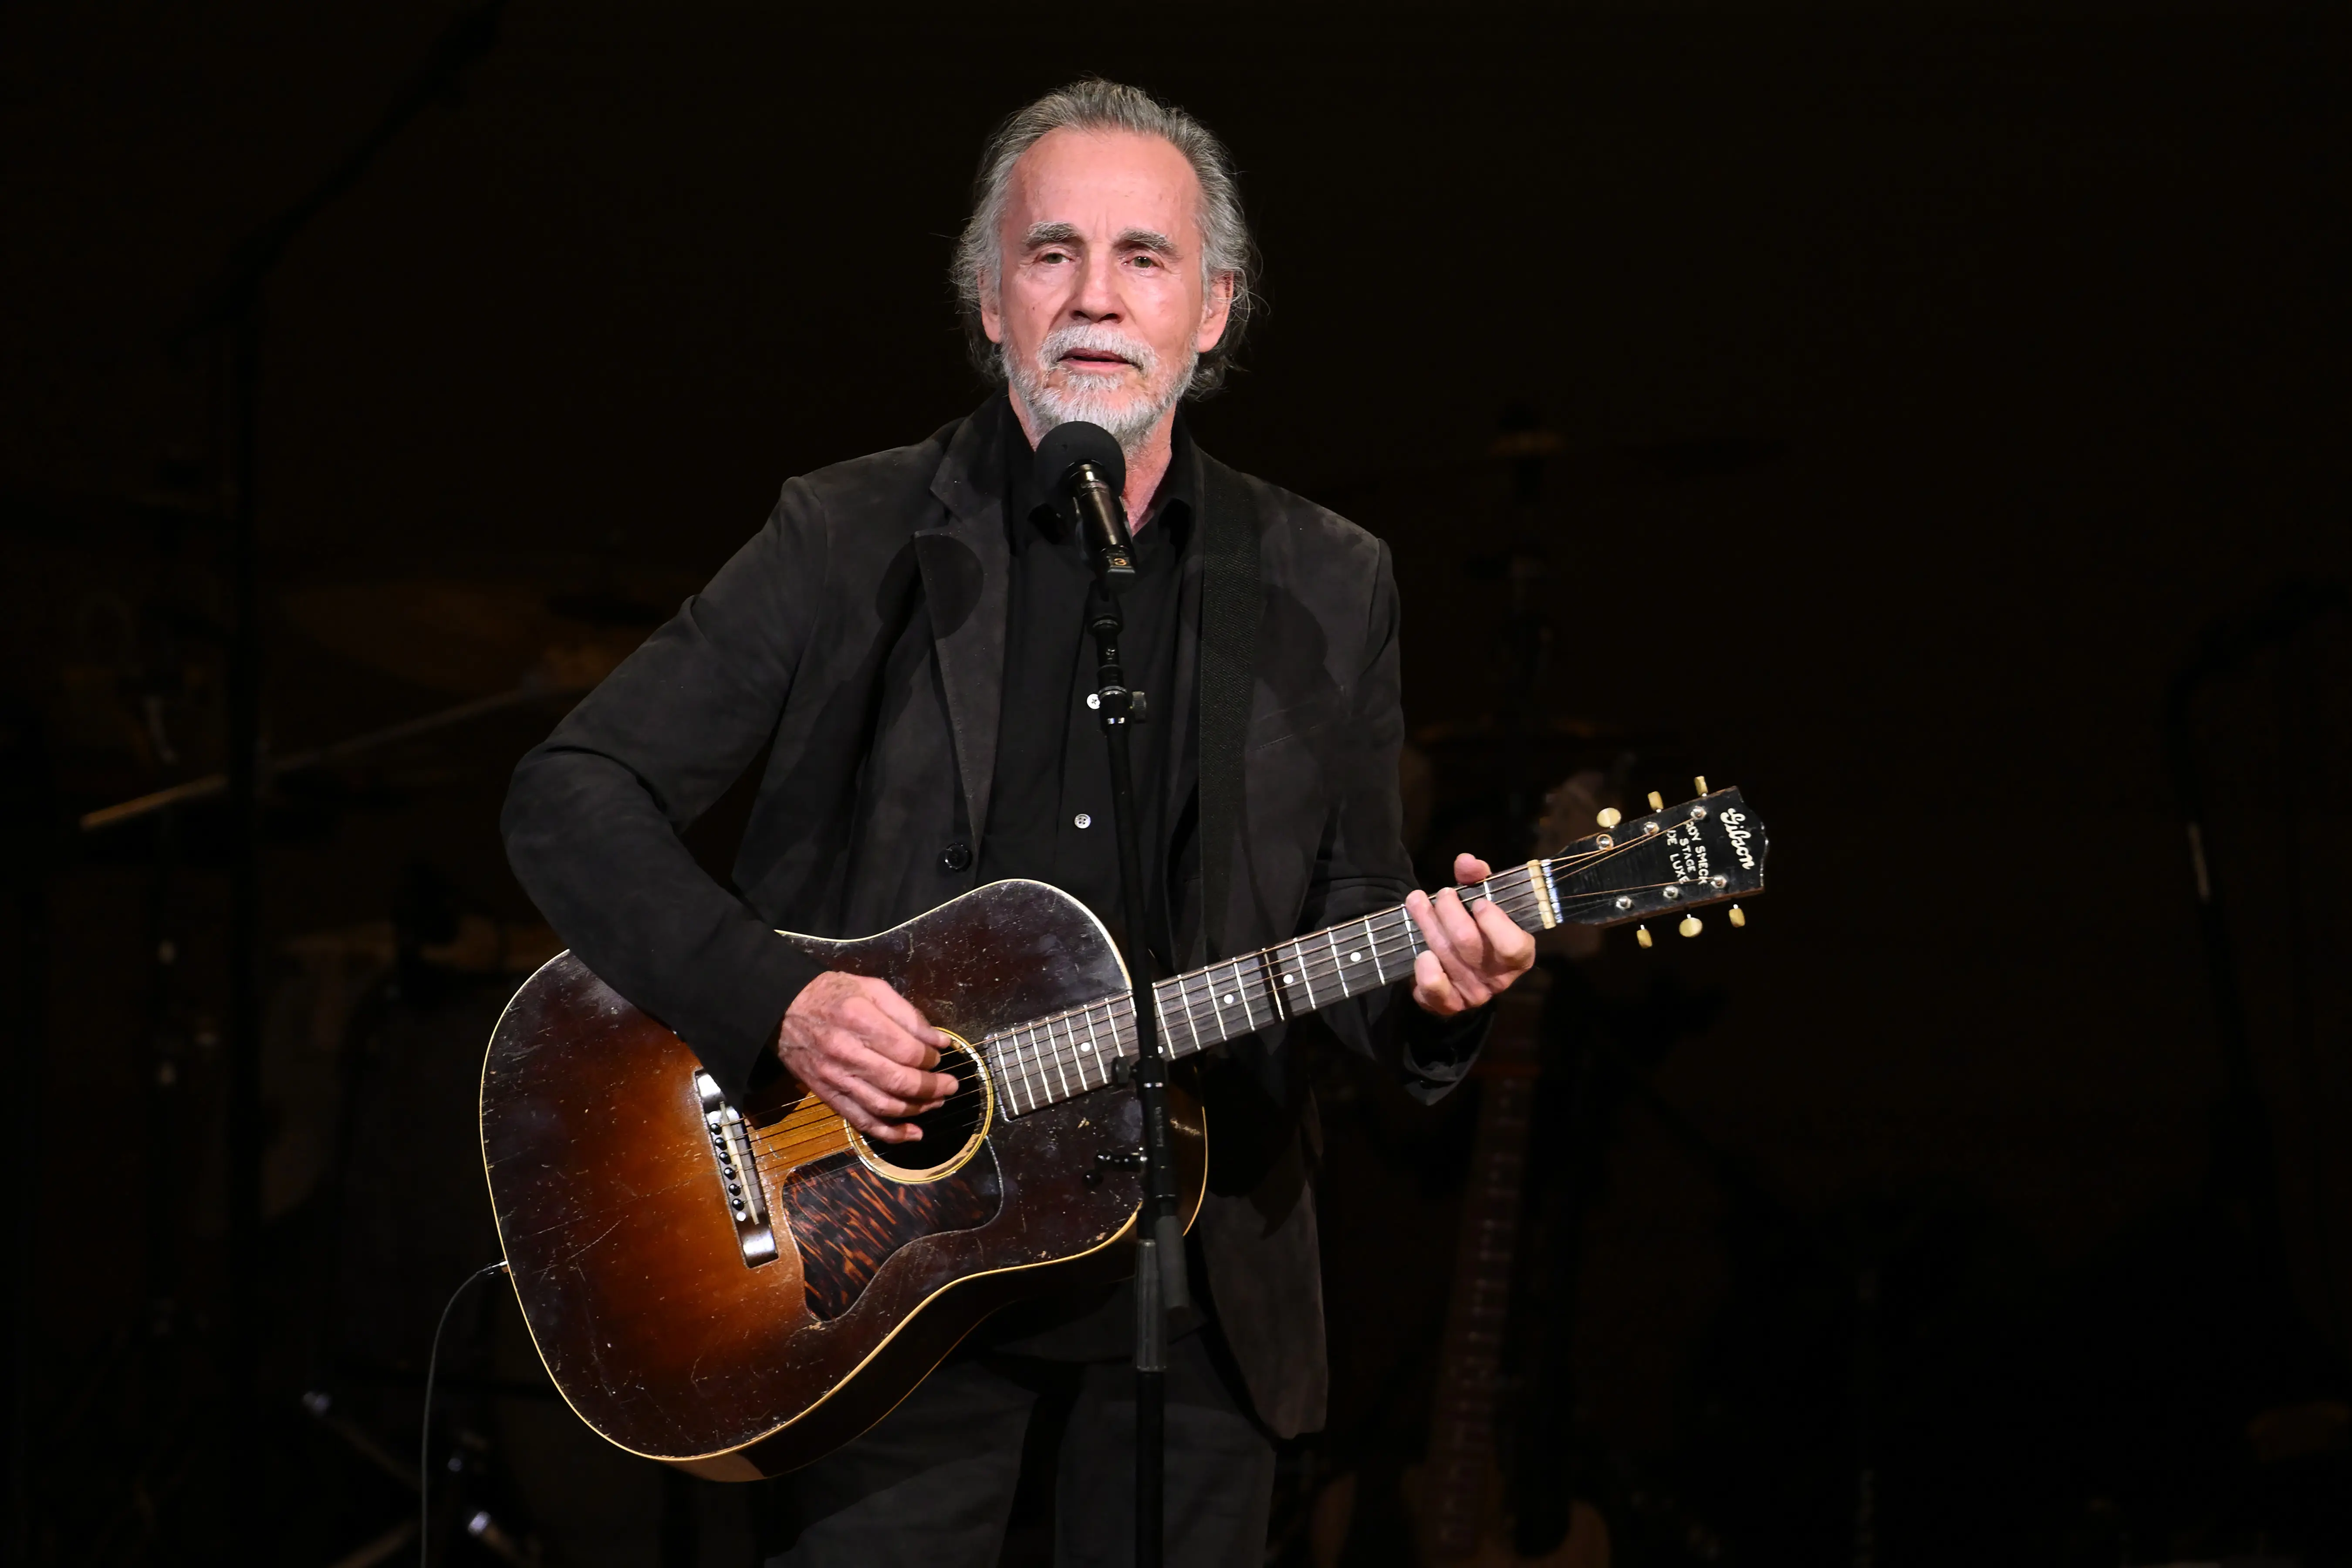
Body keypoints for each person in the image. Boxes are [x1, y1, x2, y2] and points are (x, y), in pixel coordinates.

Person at [501, 79, 1534, 1567]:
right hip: (866, 1274)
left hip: (1194, 1291)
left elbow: (1352, 909)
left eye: (1146, 258)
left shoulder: (1324, 580)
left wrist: (1444, 995)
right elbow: (569, 797)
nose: (1096, 298)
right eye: (1052, 255)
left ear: (1216, 310)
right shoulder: (850, 533)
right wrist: (778, 1001)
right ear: (991, 300)